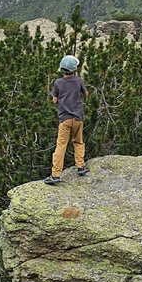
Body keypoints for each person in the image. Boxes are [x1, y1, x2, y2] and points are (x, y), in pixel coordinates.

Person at [43, 54, 89, 185]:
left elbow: (54, 101)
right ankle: (80, 166)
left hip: (65, 118)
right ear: (75, 70)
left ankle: (55, 174)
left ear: (62, 69)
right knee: (78, 142)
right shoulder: (79, 81)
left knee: (61, 145)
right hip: (78, 117)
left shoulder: (58, 83)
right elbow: (86, 94)